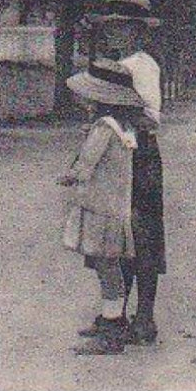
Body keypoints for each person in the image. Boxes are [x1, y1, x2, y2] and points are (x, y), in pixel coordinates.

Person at [91, 0, 166, 347]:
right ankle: (115, 314)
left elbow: (150, 118)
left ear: (138, 32)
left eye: (121, 28)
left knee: (142, 233)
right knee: (114, 235)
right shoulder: (114, 64)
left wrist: (115, 112)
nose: (112, 34)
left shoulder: (143, 66)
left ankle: (144, 317)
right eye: (109, 28)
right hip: (117, 154)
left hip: (139, 156)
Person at [57, 58, 145, 356]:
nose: (82, 99)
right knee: (109, 266)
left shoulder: (103, 129)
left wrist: (69, 176)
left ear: (99, 98)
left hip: (100, 208)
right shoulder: (121, 126)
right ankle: (111, 321)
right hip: (114, 206)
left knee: (107, 267)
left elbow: (85, 165)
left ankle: (111, 331)